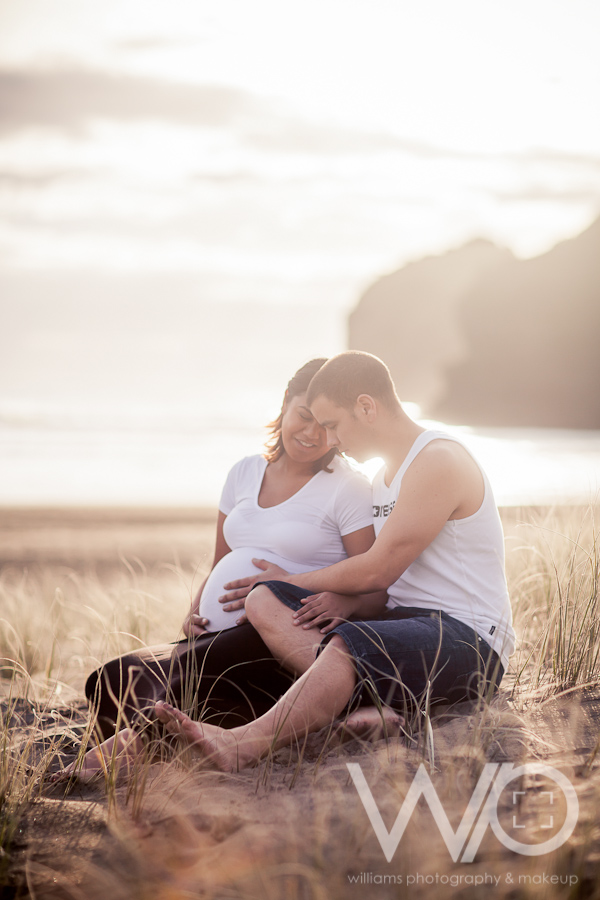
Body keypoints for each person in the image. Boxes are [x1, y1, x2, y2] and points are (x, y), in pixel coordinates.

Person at [154, 350, 516, 772]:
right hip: (403, 624)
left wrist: (296, 578)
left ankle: (243, 744)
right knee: (263, 599)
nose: (331, 440)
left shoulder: (438, 461)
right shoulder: (383, 478)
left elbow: (379, 570)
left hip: (466, 637)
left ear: (366, 407)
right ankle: (368, 707)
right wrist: (290, 590)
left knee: (347, 644)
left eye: (332, 425)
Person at [55, 358, 385, 781]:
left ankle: (115, 760)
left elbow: (375, 589)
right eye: (304, 417)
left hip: (280, 636)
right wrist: (195, 609)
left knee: (186, 680)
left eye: (326, 425)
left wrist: (329, 597)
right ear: (285, 405)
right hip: (217, 632)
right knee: (111, 678)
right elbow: (220, 563)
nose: (312, 433)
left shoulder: (349, 487)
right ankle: (168, 746)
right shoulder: (244, 473)